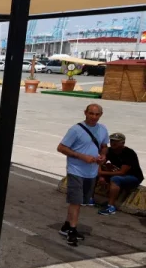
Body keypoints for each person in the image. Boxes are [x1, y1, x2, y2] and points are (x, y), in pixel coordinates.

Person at [57, 103, 109, 247]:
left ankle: (66, 226)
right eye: (91, 113)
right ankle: (72, 230)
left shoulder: (103, 129)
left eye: (97, 114)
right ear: (85, 113)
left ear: (101, 115)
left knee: (79, 202)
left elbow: (104, 146)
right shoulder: (76, 130)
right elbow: (61, 147)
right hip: (76, 170)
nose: (94, 117)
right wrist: (81, 156)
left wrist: (103, 156)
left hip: (91, 172)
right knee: (75, 201)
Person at [97, 132, 142, 216]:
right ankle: (89, 198)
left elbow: (122, 172)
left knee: (115, 179)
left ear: (123, 143)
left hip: (133, 177)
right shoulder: (109, 151)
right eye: (111, 141)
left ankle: (111, 206)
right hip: (118, 173)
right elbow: (100, 162)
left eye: (116, 141)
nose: (113, 143)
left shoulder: (129, 153)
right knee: (92, 173)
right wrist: (101, 176)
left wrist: (101, 173)